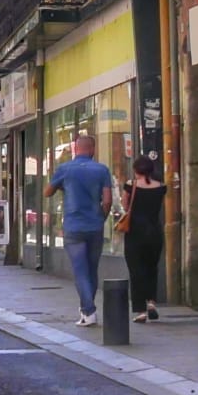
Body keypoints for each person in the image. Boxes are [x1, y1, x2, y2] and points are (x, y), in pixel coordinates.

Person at [46, 133, 115, 326]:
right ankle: (86, 309)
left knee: (80, 270)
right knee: (92, 269)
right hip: (95, 225)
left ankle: (89, 310)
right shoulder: (102, 170)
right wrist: (102, 217)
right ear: (92, 149)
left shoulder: (65, 169)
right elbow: (108, 200)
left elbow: (47, 192)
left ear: (76, 149)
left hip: (73, 226)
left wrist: (63, 187)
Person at [121, 155, 168, 322]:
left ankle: (140, 309)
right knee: (151, 268)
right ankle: (151, 302)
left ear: (135, 170)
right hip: (154, 232)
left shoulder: (130, 185)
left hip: (135, 232)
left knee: (136, 270)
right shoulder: (161, 187)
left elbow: (126, 206)